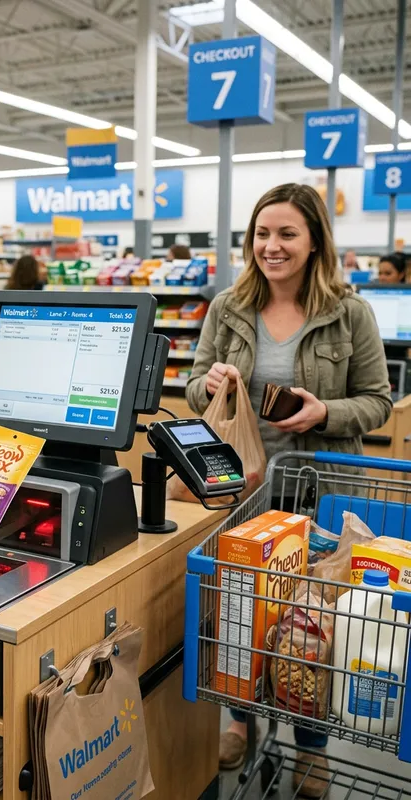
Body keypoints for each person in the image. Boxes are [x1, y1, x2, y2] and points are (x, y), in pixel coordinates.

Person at [186, 183, 392, 799]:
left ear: (313, 241)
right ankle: (242, 723)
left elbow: (379, 401)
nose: (271, 246)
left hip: (321, 492)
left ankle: (312, 750)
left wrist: (323, 411)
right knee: (243, 621)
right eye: (262, 234)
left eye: (287, 234)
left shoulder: (348, 313)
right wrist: (212, 383)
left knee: (310, 631)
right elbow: (195, 386)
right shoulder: (227, 306)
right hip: (244, 492)